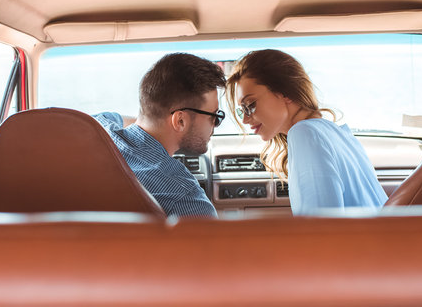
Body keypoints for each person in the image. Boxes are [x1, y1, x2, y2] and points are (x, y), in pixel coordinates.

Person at [225, 49, 388, 215]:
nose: (245, 119)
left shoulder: (304, 134)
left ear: (285, 93)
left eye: (250, 105)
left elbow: (320, 229)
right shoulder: (338, 133)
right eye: (242, 110)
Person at [94, 53, 226, 218]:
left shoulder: (98, 128)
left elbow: (116, 118)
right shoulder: (187, 199)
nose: (215, 124)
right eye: (214, 117)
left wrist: (155, 119)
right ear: (180, 121)